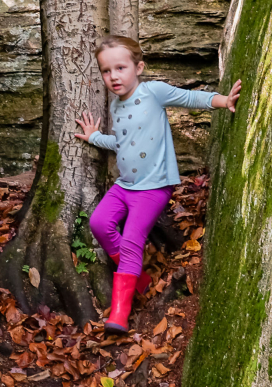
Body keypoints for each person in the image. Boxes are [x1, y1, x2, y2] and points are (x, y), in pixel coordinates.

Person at [75, 35, 241, 334]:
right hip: (125, 185)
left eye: (121, 68)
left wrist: (223, 100)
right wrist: (94, 138)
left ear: (138, 67)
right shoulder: (116, 106)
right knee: (99, 223)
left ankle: (119, 313)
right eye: (106, 71)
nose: (113, 76)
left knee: (130, 241)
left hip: (153, 188)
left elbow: (191, 98)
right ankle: (137, 280)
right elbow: (122, 143)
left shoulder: (153, 92)